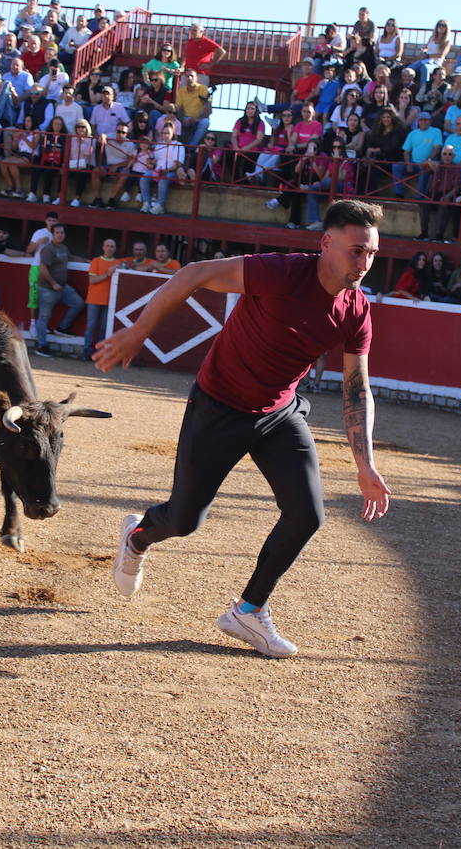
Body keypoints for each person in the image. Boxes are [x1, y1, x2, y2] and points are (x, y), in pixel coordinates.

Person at [95, 199, 391, 659]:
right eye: (356, 251)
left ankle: (248, 611)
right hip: (219, 405)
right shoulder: (279, 272)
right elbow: (193, 274)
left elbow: (357, 388)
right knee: (184, 520)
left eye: (371, 254)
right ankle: (138, 536)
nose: (364, 263)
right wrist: (138, 333)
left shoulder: (356, 310)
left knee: (307, 514)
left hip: (278, 413)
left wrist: (365, 463)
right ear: (326, 243)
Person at [33, 222, 86, 356]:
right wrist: (52, 283)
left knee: (78, 303)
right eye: (57, 233)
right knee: (44, 316)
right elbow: (42, 267)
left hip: (62, 287)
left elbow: (71, 258)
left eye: (62, 233)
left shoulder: (63, 248)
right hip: (48, 288)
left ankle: (61, 328)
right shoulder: (48, 249)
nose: (60, 235)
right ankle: (41, 346)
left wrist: (88, 262)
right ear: (52, 234)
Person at [83, 237, 122, 359]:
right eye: (107, 246)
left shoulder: (118, 263)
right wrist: (107, 274)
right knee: (91, 326)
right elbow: (92, 280)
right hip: (94, 299)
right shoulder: (96, 261)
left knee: (103, 329)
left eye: (112, 246)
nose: (109, 248)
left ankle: (98, 353)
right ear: (103, 247)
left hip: (109, 300)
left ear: (115, 249)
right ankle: (86, 352)